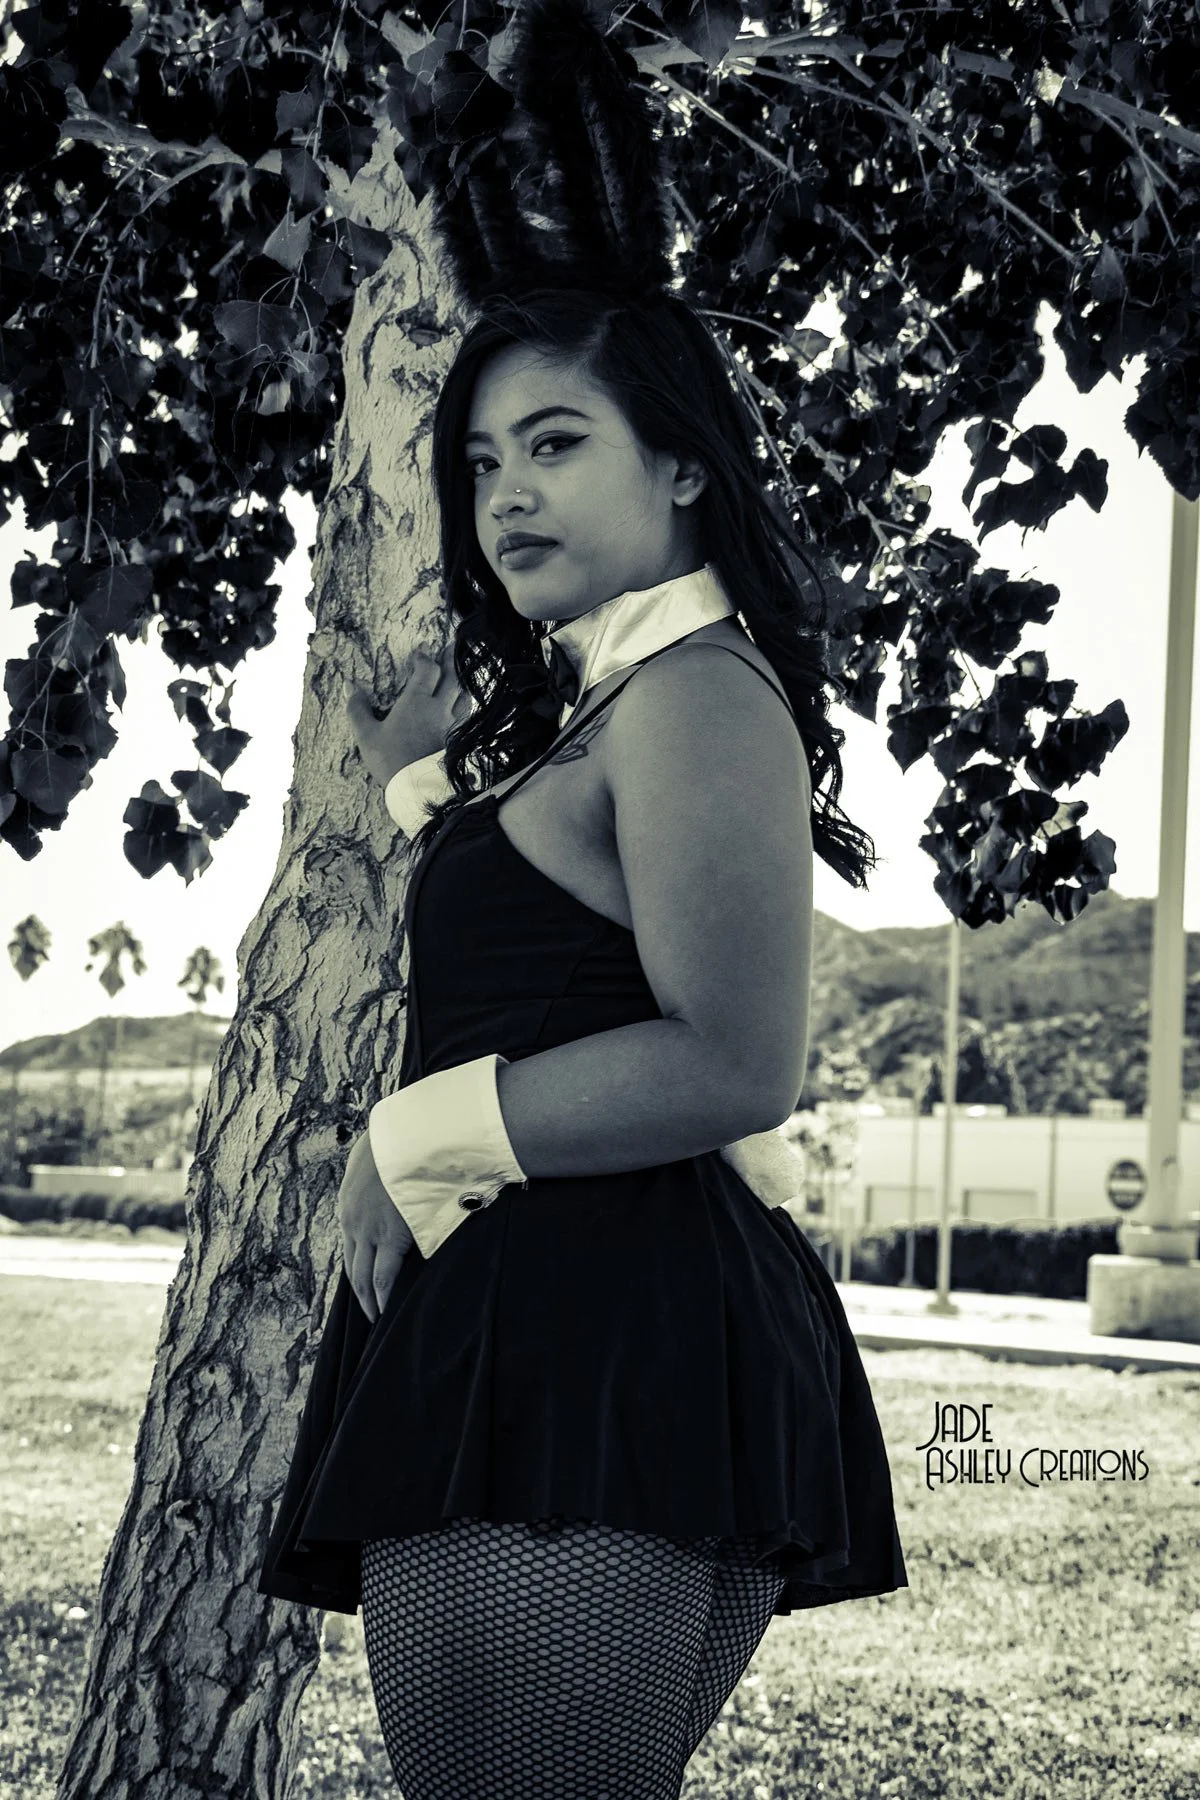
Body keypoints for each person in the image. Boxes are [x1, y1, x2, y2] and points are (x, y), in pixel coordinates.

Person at [256, 285, 908, 1799]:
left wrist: (405, 1140)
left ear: (683, 464)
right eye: (482, 463)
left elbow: (735, 1061)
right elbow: (567, 955)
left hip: (588, 1357)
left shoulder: (695, 698)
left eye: (556, 443)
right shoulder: (627, 701)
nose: (507, 496)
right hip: (581, 1339)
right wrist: (426, 792)